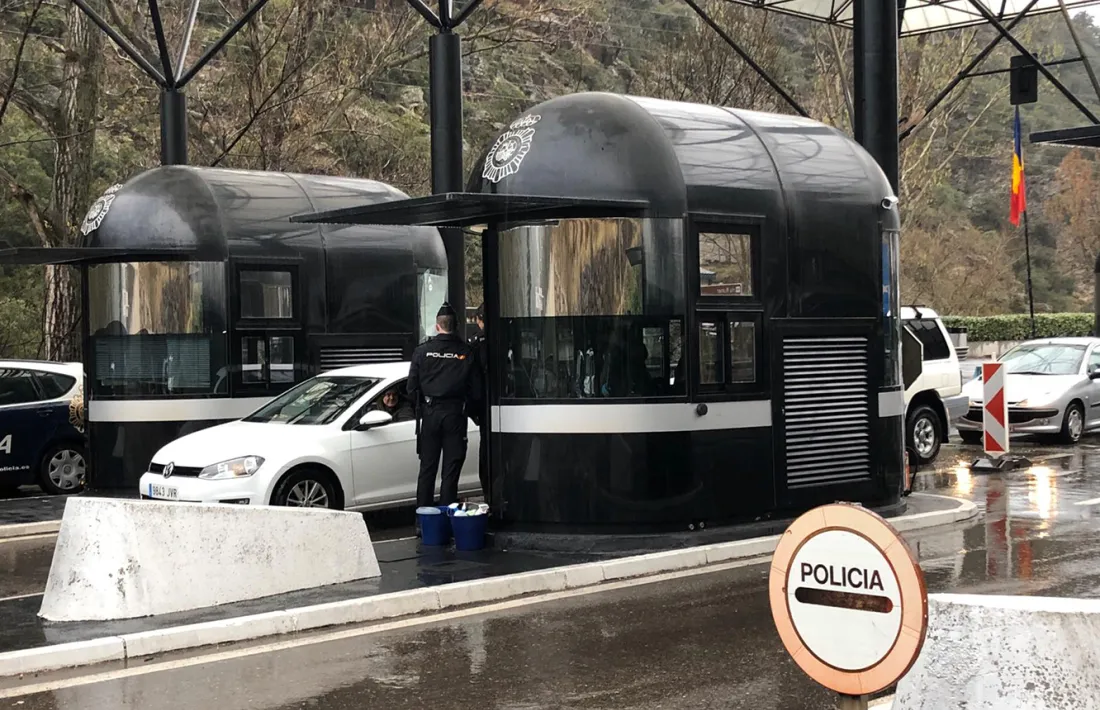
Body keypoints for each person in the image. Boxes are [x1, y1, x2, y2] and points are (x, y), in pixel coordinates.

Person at [408, 302, 481, 509]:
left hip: (430, 415)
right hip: (455, 415)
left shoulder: (422, 352)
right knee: (451, 471)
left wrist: (424, 407)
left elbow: (411, 388)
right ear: (456, 325)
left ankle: (423, 520)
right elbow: (476, 390)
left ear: (437, 326)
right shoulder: (466, 352)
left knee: (427, 469)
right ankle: (449, 518)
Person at [468, 304, 489, 501]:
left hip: (483, 408)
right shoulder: (505, 340)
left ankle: (488, 494)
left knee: (486, 453)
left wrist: (473, 411)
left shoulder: (474, 345)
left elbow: (472, 380)